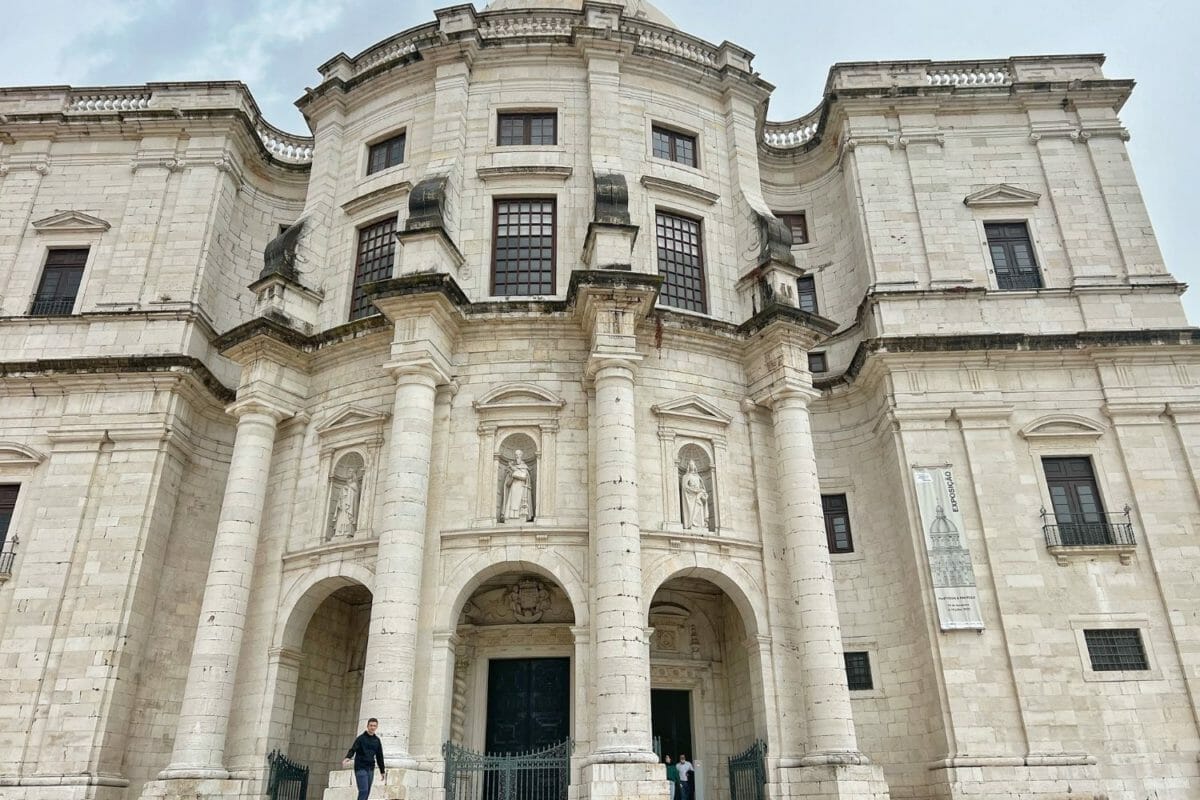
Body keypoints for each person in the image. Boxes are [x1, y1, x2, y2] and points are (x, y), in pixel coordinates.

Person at [343, 718, 386, 800]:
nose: (372, 727)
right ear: (367, 726)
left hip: (370, 768)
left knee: (367, 792)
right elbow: (353, 749)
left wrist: (382, 771)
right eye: (371, 725)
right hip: (360, 767)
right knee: (363, 790)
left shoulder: (377, 740)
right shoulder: (360, 739)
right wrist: (348, 757)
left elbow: (379, 756)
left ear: (376, 727)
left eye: (374, 726)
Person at [503, 449, 532, 521]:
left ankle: (520, 516)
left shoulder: (524, 467)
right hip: (513, 486)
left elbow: (525, 477)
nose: (517, 456)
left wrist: (515, 474)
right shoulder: (512, 467)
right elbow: (507, 483)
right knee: (512, 500)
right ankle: (510, 516)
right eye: (516, 455)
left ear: (521, 455)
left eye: (518, 454)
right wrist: (512, 476)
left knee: (520, 501)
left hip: (521, 487)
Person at [681, 460, 709, 530]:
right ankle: (691, 523)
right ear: (688, 466)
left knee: (699, 509)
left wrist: (702, 492)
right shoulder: (686, 476)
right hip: (691, 497)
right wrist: (694, 490)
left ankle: (700, 525)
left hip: (698, 496)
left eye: (693, 465)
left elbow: (702, 487)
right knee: (692, 511)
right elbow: (685, 487)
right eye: (690, 465)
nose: (692, 466)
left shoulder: (698, 477)